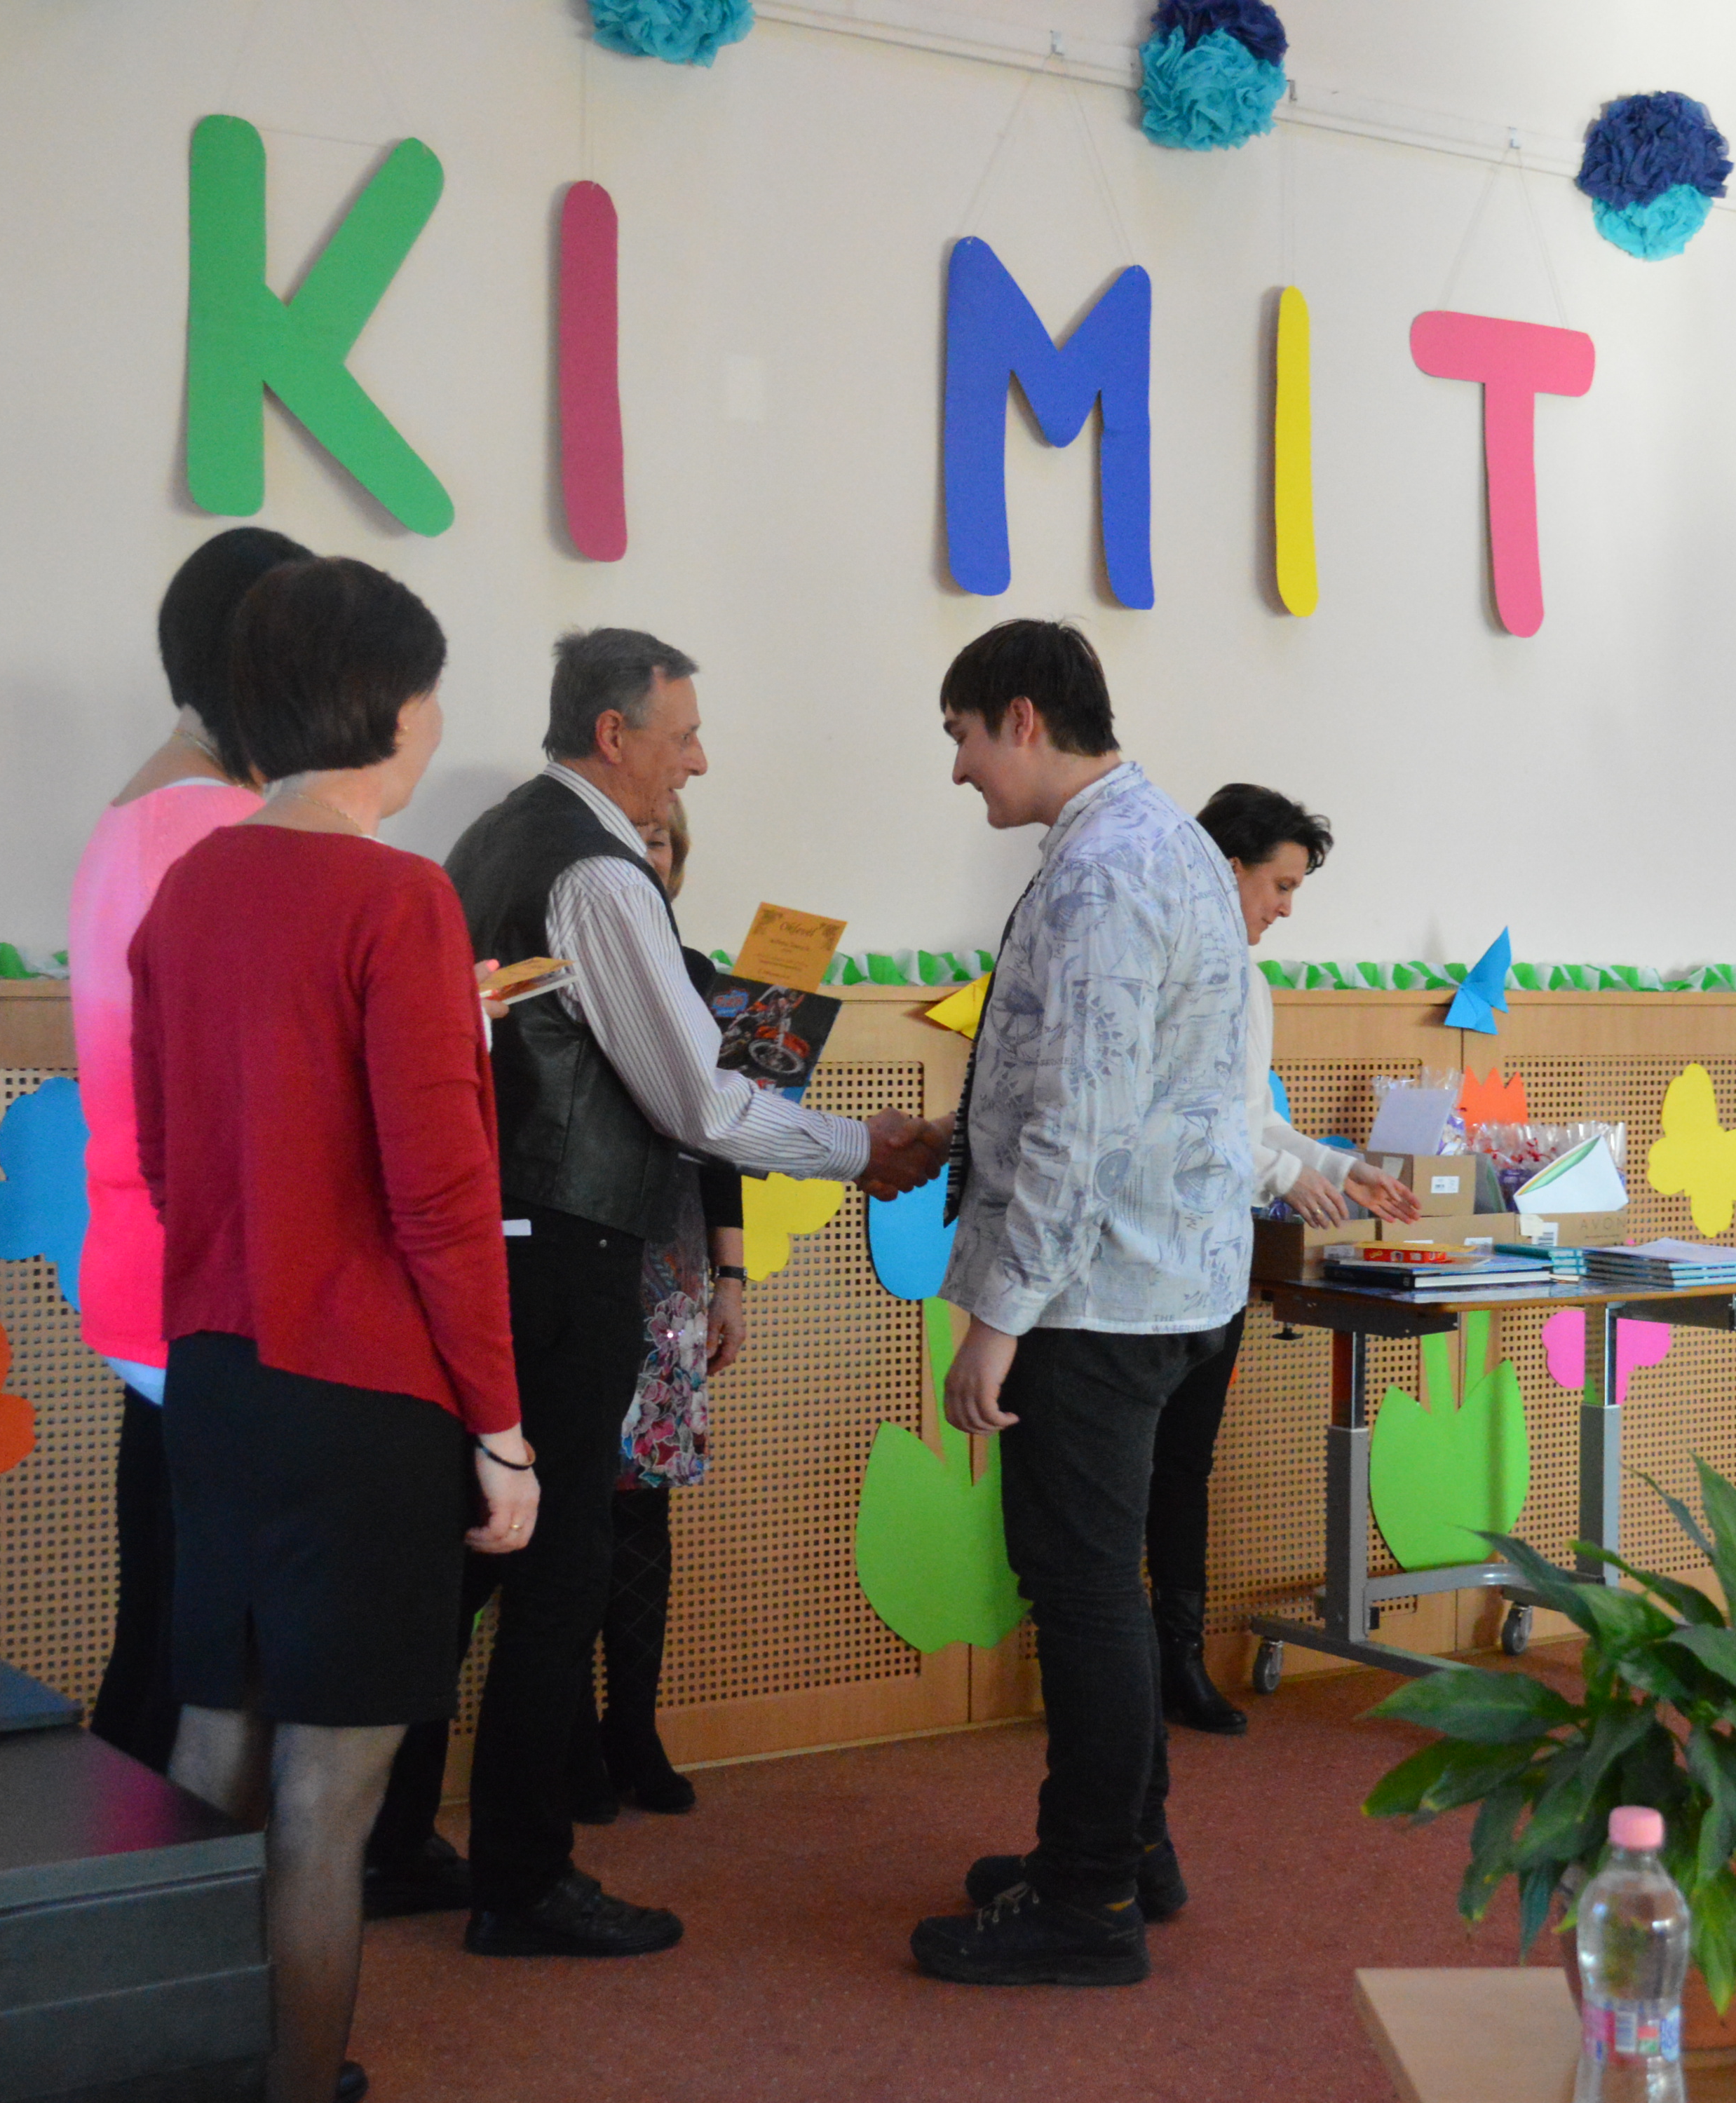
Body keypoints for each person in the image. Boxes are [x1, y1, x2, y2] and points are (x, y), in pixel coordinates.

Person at [432, 627, 944, 1960]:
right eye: (685, 733)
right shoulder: (600, 875)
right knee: (561, 1560)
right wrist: (861, 1147)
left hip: (486, 1240)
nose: (699, 761)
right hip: (571, 1249)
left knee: (473, 1549)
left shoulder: (486, 844)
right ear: (615, 735)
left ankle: (389, 1836)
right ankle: (523, 1880)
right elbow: (696, 1103)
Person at [132, 556, 536, 2103]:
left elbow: (165, 1157)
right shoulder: (398, 897)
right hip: (365, 1396)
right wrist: (502, 1432)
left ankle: (172, 2073)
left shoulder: (188, 888)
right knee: (327, 1799)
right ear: (388, 704)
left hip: (215, 1374)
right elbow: (442, 1198)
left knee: (212, 1752)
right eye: (432, 690)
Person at [912, 618, 1254, 1989]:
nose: (958, 771)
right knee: (1101, 1583)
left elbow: (1081, 1124)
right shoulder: (1167, 843)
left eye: (962, 738)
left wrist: (998, 1320)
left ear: (1023, 718)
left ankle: (1087, 1896)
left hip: (1095, 1299)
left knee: (1083, 1593)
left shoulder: (1106, 873)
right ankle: (1129, 1848)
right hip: (1162, 1280)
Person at [70, 524, 305, 1774]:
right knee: (209, 1659)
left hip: (138, 1263)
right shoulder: (219, 824)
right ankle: (163, 1887)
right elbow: (261, 1080)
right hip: (209, 1275)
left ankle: (123, 1871)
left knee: (160, 1622)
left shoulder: (135, 806)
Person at [1146, 784, 1422, 1738]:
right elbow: (1173, 1115)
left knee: (1186, 1465)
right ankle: (1120, 1670)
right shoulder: (1159, 961)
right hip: (1141, 1262)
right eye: (1282, 885)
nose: (1287, 908)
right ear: (1228, 869)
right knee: (1126, 1470)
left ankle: (1178, 1656)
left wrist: (1342, 1171)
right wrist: (1278, 1173)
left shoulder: (1252, 983)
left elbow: (1251, 1117)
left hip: (1217, 1263)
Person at [567, 794, 745, 1820]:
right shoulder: (560, 972)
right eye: (631, 841)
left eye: (663, 841)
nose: (649, 854)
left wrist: (731, 1280)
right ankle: (565, 1740)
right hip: (576, 1259)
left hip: (671, 1274)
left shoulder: (703, 980)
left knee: (644, 1506)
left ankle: (633, 1728)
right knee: (571, 1509)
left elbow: (726, 1140)